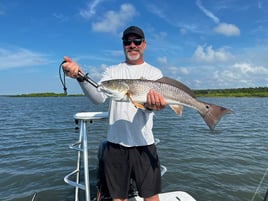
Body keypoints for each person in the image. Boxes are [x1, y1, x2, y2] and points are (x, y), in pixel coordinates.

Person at [62, 25, 166, 201]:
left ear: (144, 44)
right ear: (123, 45)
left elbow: (152, 106)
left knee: (151, 196)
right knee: (118, 197)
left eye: (137, 41)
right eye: (127, 41)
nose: (132, 45)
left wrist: (154, 106)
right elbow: (99, 96)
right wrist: (80, 77)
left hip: (144, 143)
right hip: (115, 145)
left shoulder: (154, 73)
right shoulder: (112, 72)